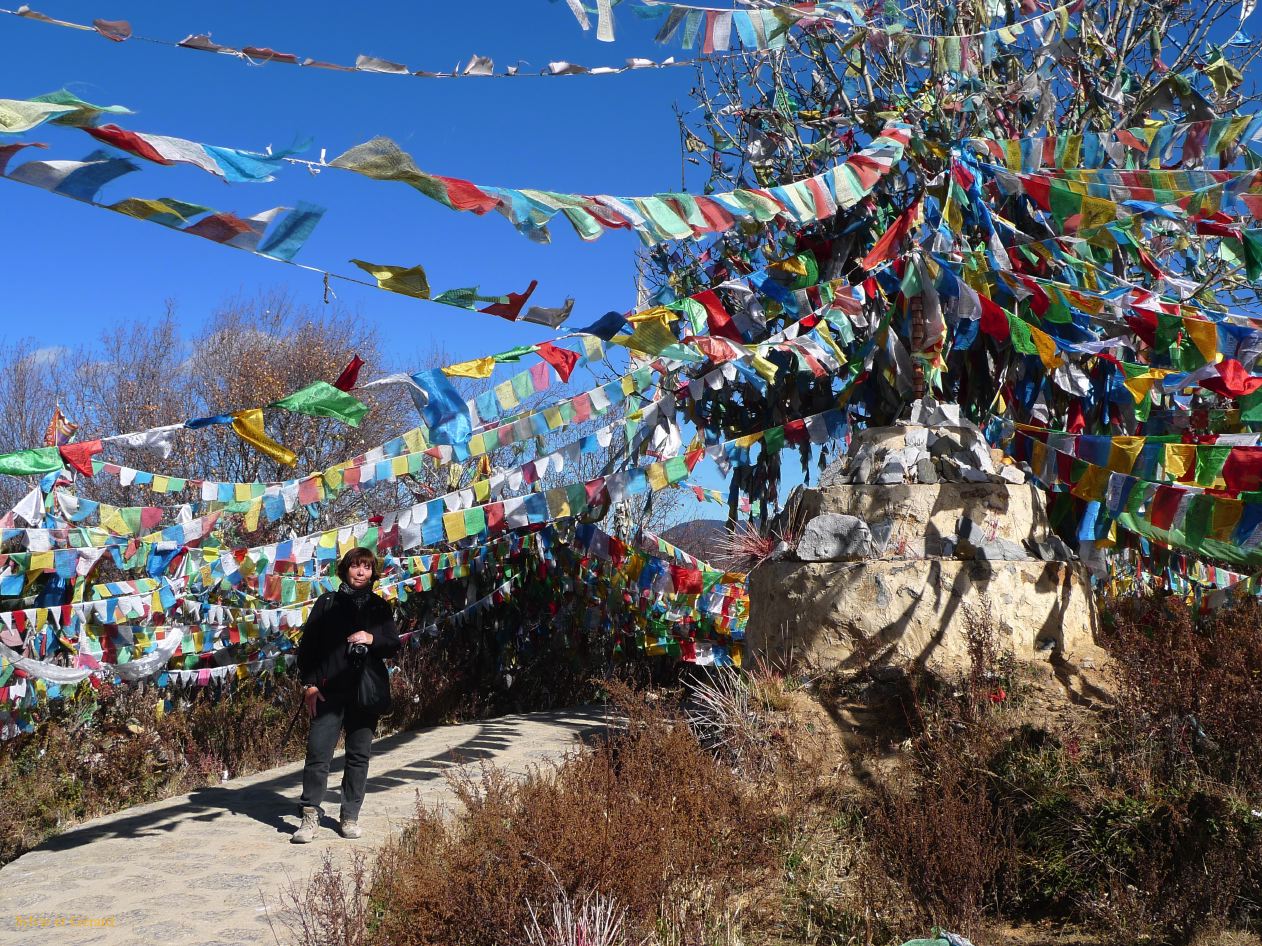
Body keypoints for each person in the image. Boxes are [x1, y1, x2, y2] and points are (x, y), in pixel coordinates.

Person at [291, 547, 400, 843]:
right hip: (327, 692)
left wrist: (371, 638)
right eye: (355, 566)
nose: (361, 572)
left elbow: (392, 644)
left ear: (372, 572)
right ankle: (310, 815)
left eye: (366, 567)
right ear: (345, 570)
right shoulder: (327, 604)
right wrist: (310, 685)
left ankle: (349, 816)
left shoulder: (379, 607)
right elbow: (308, 649)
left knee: (358, 756)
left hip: (364, 693)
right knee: (317, 754)